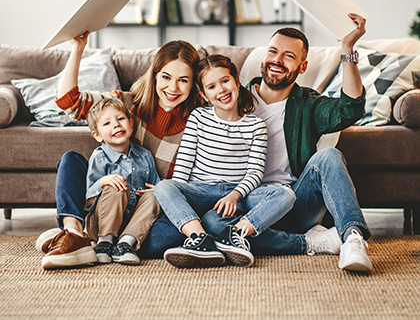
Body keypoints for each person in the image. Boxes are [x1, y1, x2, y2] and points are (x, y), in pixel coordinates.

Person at [201, 13, 374, 273]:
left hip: (294, 203)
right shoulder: (233, 98)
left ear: (302, 67)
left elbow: (350, 109)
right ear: (263, 57)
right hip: (247, 204)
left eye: (289, 56)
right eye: (272, 52)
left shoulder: (308, 103)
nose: (277, 61)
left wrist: (347, 49)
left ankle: (351, 238)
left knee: (328, 157)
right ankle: (311, 242)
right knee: (213, 224)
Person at [37, 33, 202, 269]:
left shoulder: (198, 122)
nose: (173, 88)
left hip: (149, 211)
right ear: (154, 75)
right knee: (71, 159)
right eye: (166, 77)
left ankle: (113, 242)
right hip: (108, 205)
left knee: (166, 240)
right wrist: (78, 48)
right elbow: (68, 102)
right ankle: (73, 233)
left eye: (183, 80)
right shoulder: (125, 105)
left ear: (193, 83)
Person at [154, 54, 296, 269]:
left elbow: (255, 173)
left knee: (285, 194)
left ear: (237, 81)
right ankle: (201, 239)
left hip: (238, 196)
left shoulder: (256, 126)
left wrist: (234, 195)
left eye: (225, 81)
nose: (220, 90)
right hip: (201, 191)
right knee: (164, 187)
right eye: (211, 86)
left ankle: (236, 233)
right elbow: (183, 165)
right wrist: (178, 194)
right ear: (203, 94)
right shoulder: (198, 117)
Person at [82, 97, 161, 266]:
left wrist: (153, 192)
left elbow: (156, 184)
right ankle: (105, 243)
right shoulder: (99, 158)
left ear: (131, 124)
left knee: (157, 193)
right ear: (97, 135)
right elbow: (87, 202)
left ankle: (126, 244)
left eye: (120, 119)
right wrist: (103, 181)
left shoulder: (145, 156)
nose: (116, 125)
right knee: (116, 185)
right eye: (107, 123)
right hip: (101, 222)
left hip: (132, 222)